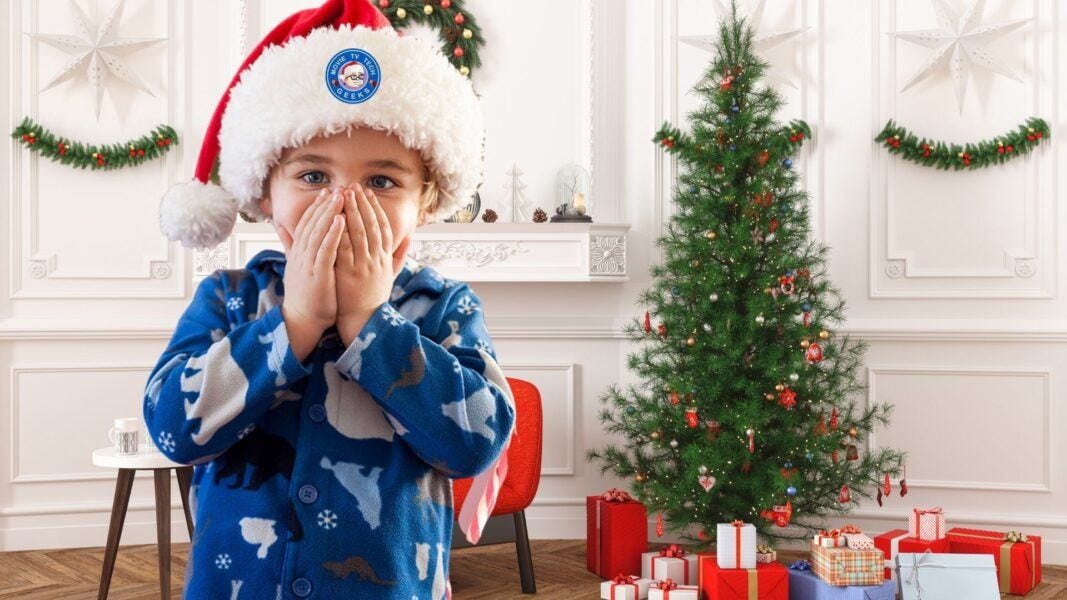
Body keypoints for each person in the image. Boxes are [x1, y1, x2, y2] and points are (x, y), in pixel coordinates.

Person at [147, 1, 514, 597]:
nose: (344, 204)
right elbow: (172, 431)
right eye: (313, 176)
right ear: (265, 192)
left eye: (382, 181)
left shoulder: (443, 308)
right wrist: (293, 323)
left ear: (426, 200)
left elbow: (475, 443)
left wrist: (372, 323)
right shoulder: (230, 298)